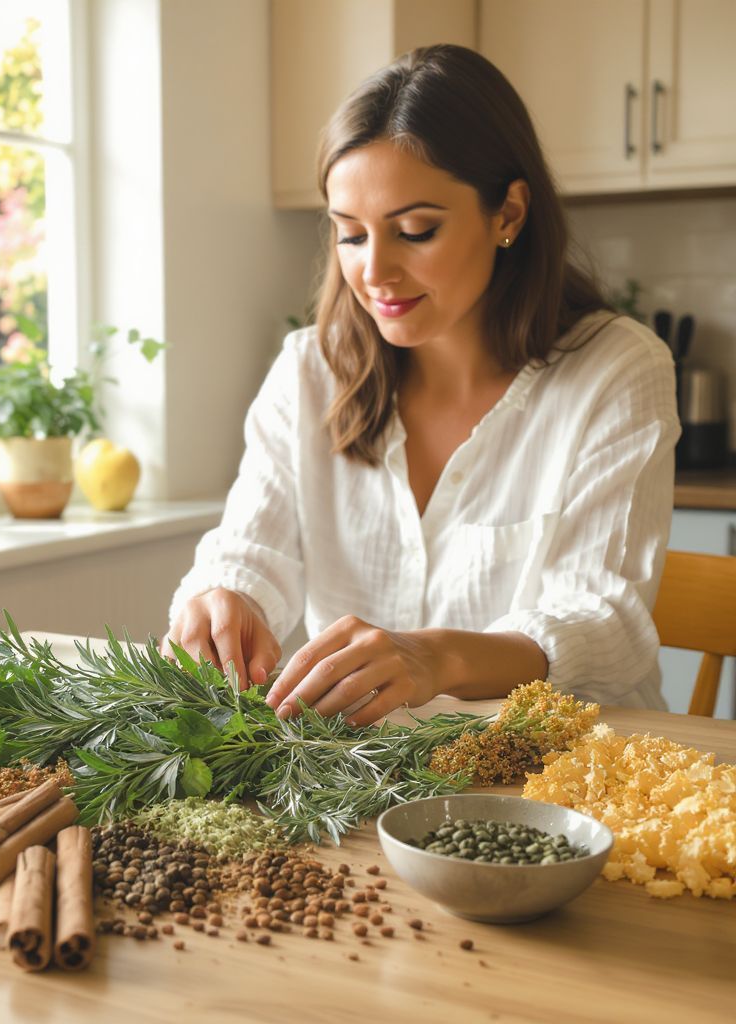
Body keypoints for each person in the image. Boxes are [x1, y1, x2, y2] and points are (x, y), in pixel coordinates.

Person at [163, 44, 679, 725]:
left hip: (574, 760)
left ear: (508, 214)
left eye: (415, 231)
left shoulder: (616, 368)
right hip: (366, 766)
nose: (376, 271)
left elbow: (603, 620)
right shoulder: (310, 369)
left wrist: (437, 657)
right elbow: (249, 552)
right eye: (351, 236)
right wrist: (224, 598)